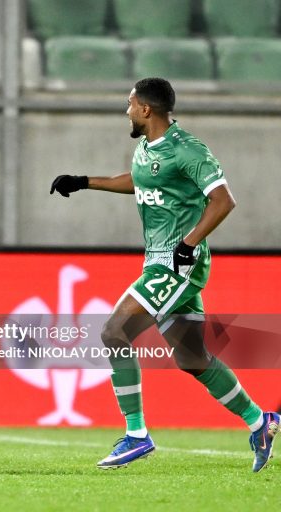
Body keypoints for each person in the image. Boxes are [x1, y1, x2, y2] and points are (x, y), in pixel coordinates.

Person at [50, 77, 279, 472]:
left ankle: (137, 435)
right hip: (158, 260)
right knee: (192, 358)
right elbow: (141, 182)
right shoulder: (145, 149)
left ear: (145, 109)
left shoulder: (188, 150)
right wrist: (86, 182)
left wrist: (188, 245)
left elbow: (224, 201)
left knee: (113, 331)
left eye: (129, 103)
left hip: (177, 264)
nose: (126, 110)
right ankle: (262, 423)